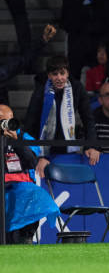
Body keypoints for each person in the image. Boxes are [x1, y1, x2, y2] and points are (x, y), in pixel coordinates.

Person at [24, 56, 100, 179]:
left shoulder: (77, 88)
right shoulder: (40, 92)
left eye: (62, 73)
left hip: (68, 148)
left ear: (68, 74)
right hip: (44, 149)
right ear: (49, 75)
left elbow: (88, 119)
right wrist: (38, 156)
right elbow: (30, 125)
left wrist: (92, 145)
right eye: (55, 74)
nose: (59, 78)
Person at [2, 104, 59, 244]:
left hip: (21, 188)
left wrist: (17, 142)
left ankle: (25, 238)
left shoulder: (25, 137)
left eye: (6, 120)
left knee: (35, 195)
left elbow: (31, 162)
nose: (3, 125)